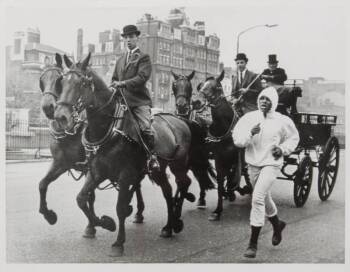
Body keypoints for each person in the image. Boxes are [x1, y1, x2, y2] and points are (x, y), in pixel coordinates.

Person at [232, 86, 299, 258]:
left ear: (274, 102)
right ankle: (277, 225)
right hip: (253, 163)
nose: (264, 102)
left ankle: (252, 244)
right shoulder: (249, 118)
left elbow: (294, 137)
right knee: (264, 196)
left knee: (258, 198)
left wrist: (283, 149)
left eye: (268, 100)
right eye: (262, 98)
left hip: (272, 163)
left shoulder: (282, 120)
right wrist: (250, 134)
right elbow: (238, 140)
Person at [111, 24, 160, 172]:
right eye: (126, 37)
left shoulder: (144, 57)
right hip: (121, 101)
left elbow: (142, 78)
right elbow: (114, 79)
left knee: (146, 127)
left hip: (138, 101)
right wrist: (113, 87)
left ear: (137, 38)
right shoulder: (120, 60)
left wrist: (123, 83)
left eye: (131, 37)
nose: (128, 40)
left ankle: (152, 158)